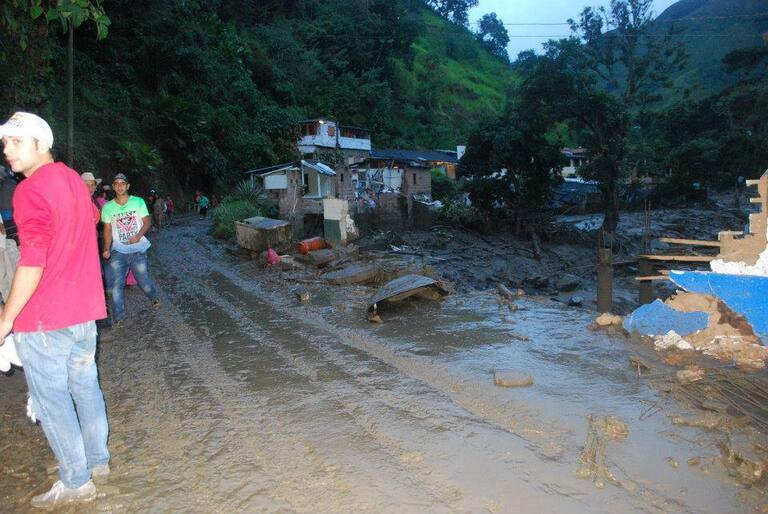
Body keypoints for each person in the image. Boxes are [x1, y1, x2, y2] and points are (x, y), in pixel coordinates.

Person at [0, 112, 110, 507]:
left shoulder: (28, 191)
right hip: (84, 312)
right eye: (5, 143)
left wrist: (5, 319)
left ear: (42, 144)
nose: (8, 149)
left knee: (52, 400)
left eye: (17, 141)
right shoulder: (74, 180)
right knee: (85, 388)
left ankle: (76, 480)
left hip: (45, 318)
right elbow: (92, 218)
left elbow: (33, 259)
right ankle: (97, 462)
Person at [101, 173, 159, 323]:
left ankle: (153, 296)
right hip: (118, 250)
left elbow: (147, 221)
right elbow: (107, 230)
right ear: (113, 187)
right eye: (116, 184)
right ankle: (119, 318)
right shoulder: (107, 207)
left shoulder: (138, 202)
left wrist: (138, 235)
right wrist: (106, 248)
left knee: (143, 281)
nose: (120, 186)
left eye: (123, 183)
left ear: (127, 186)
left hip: (138, 249)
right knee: (117, 284)